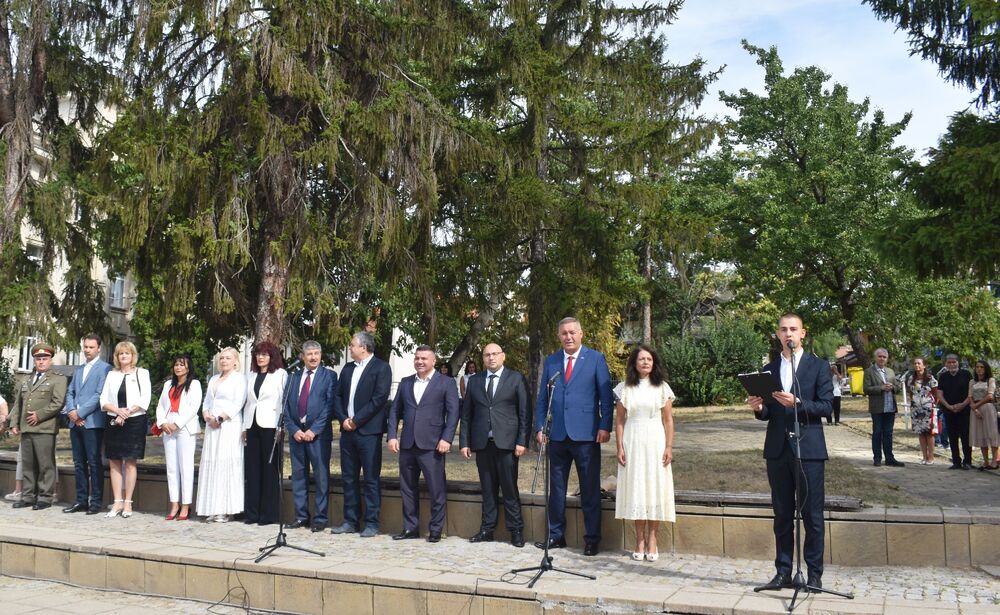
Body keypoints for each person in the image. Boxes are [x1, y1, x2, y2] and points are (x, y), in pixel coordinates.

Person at [747, 313, 832, 592]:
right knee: (782, 515)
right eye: (783, 330)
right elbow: (770, 412)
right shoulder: (768, 368)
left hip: (808, 449)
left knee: (812, 516)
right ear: (778, 334)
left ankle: (815, 576)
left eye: (793, 329)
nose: (788, 334)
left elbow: (826, 406)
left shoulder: (818, 366)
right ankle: (783, 572)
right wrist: (760, 408)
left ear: (803, 333)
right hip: (777, 449)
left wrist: (798, 402)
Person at [534, 317, 614, 556]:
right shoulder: (552, 361)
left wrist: (605, 425)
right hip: (557, 435)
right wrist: (540, 427)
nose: (568, 337)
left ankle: (591, 539)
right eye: (564, 333)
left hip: (586, 435)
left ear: (581, 334)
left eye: (572, 333)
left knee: (589, 489)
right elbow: (542, 399)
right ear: (559, 336)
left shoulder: (596, 359)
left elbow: (606, 397)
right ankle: (556, 535)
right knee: (556, 489)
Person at [459, 343, 529, 548]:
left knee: (509, 489)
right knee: (487, 489)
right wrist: (465, 442)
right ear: (483, 359)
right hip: (482, 444)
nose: (491, 358)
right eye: (487, 355)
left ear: (503, 356)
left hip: (507, 444)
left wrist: (522, 441)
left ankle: (516, 530)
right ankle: (487, 529)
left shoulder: (516, 379)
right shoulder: (475, 381)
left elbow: (525, 413)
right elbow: (466, 415)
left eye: (495, 354)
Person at [388, 345, 460, 543]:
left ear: (433, 361)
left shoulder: (446, 383)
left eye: (424, 358)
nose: (420, 361)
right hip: (408, 444)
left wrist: (447, 438)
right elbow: (394, 411)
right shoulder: (405, 383)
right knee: (407, 488)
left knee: (436, 489)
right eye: (417, 358)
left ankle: (436, 529)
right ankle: (410, 528)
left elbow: (453, 413)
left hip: (433, 445)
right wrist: (392, 435)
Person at [614, 344, 676, 562]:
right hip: (633, 440)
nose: (645, 362)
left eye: (649, 359)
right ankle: (638, 540)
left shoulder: (662, 388)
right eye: (641, 359)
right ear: (634, 362)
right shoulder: (624, 388)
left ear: (654, 362)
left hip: (655, 441)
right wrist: (620, 447)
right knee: (637, 489)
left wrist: (668, 446)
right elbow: (620, 421)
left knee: (654, 488)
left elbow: (668, 420)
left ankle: (653, 539)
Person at [331, 332, 391, 537]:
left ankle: (372, 523)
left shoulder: (381, 368)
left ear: (364, 347)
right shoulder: (348, 369)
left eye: (352, 345)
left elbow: (379, 398)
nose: (350, 348)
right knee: (348, 478)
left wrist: (356, 421)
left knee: (371, 478)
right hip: (347, 432)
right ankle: (350, 520)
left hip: (368, 432)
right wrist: (343, 420)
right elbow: (337, 396)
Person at [282, 340, 339, 532]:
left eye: (316, 353)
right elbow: (285, 408)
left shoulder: (329, 376)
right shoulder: (292, 377)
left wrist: (314, 430)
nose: (313, 357)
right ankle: (301, 517)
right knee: (299, 476)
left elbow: (329, 406)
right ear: (303, 357)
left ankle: (320, 518)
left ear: (320, 355)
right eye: (309, 354)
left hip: (318, 436)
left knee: (321, 477)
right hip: (297, 435)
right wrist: (294, 429)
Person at [8, 342, 67, 510]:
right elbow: (19, 404)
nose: (41, 361)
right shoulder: (26, 379)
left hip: (44, 427)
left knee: (45, 464)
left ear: (50, 359)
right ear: (34, 360)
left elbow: (58, 402)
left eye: (45, 358)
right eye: (38, 358)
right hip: (26, 427)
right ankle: (28, 496)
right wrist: (14, 423)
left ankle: (45, 497)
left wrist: (39, 415)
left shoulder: (58, 379)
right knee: (28, 463)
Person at [61, 335, 113, 515]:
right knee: (78, 463)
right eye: (85, 347)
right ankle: (81, 500)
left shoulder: (105, 369)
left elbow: (99, 395)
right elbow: (70, 392)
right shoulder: (79, 370)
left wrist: (80, 413)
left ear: (99, 348)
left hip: (92, 423)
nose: (87, 350)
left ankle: (96, 502)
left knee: (93, 462)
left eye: (91, 347)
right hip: (75, 423)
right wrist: (72, 412)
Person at [99, 341, 152, 518]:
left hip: (134, 421)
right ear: (117, 357)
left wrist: (127, 413)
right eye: (121, 354)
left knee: (130, 462)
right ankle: (117, 501)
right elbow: (104, 400)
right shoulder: (112, 375)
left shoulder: (142, 373)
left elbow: (145, 399)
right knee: (114, 461)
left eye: (127, 353)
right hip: (114, 420)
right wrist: (117, 412)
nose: (124, 356)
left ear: (133, 356)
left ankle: (128, 502)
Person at [196, 347, 247, 522]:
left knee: (227, 463)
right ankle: (212, 506)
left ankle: (227, 509)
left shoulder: (239, 379)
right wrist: (206, 415)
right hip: (212, 426)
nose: (224, 361)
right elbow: (207, 400)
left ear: (235, 361)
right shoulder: (214, 379)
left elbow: (238, 402)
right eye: (222, 358)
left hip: (229, 425)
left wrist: (220, 417)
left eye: (228, 358)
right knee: (213, 462)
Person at [241, 341, 287, 526]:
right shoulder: (251, 375)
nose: (260, 357)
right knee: (252, 469)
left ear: (272, 357)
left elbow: (282, 401)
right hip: (252, 425)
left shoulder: (280, 374)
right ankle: (252, 513)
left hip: (270, 426)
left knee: (269, 469)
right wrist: (244, 426)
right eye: (258, 354)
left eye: (264, 354)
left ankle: (268, 515)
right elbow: (248, 403)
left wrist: (280, 427)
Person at [154, 353, 202, 521]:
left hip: (184, 428)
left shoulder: (194, 384)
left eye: (182, 364)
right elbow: (160, 406)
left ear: (188, 367)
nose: (178, 367)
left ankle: (186, 505)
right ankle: (174, 503)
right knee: (172, 468)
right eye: (176, 364)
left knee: (185, 467)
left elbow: (194, 407)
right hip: (168, 427)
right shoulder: (168, 384)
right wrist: (162, 422)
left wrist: (178, 424)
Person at [863, 348, 905, 467]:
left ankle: (889, 458)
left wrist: (893, 387)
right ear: (875, 358)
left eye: (884, 357)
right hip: (877, 407)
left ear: (887, 359)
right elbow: (865, 389)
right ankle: (877, 458)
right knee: (877, 432)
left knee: (888, 433)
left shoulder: (890, 371)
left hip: (890, 406)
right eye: (880, 356)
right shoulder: (869, 371)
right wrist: (881, 388)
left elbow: (898, 387)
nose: (882, 359)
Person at [937, 354, 973, 470]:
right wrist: (948, 406)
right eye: (949, 362)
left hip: (964, 410)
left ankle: (967, 461)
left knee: (965, 437)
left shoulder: (966, 374)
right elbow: (939, 394)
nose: (952, 364)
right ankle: (956, 461)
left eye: (954, 362)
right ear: (946, 364)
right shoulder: (943, 376)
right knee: (952, 437)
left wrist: (962, 405)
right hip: (949, 410)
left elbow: (971, 393)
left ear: (958, 363)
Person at [906, 357, 938, 465]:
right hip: (916, 409)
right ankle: (924, 456)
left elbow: (935, 392)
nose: (917, 365)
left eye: (919, 363)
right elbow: (911, 392)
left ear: (924, 365)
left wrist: (929, 403)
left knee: (929, 433)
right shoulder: (911, 378)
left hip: (928, 409)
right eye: (915, 363)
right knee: (920, 433)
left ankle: (931, 457)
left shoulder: (930, 378)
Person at [969, 360, 998, 470]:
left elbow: (990, 396)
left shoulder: (990, 380)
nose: (979, 369)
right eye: (977, 367)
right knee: (981, 435)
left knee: (992, 434)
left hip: (987, 408)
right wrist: (974, 408)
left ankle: (994, 461)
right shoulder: (972, 382)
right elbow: (970, 396)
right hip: (976, 410)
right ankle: (985, 461)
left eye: (981, 367)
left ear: (986, 369)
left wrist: (977, 405)